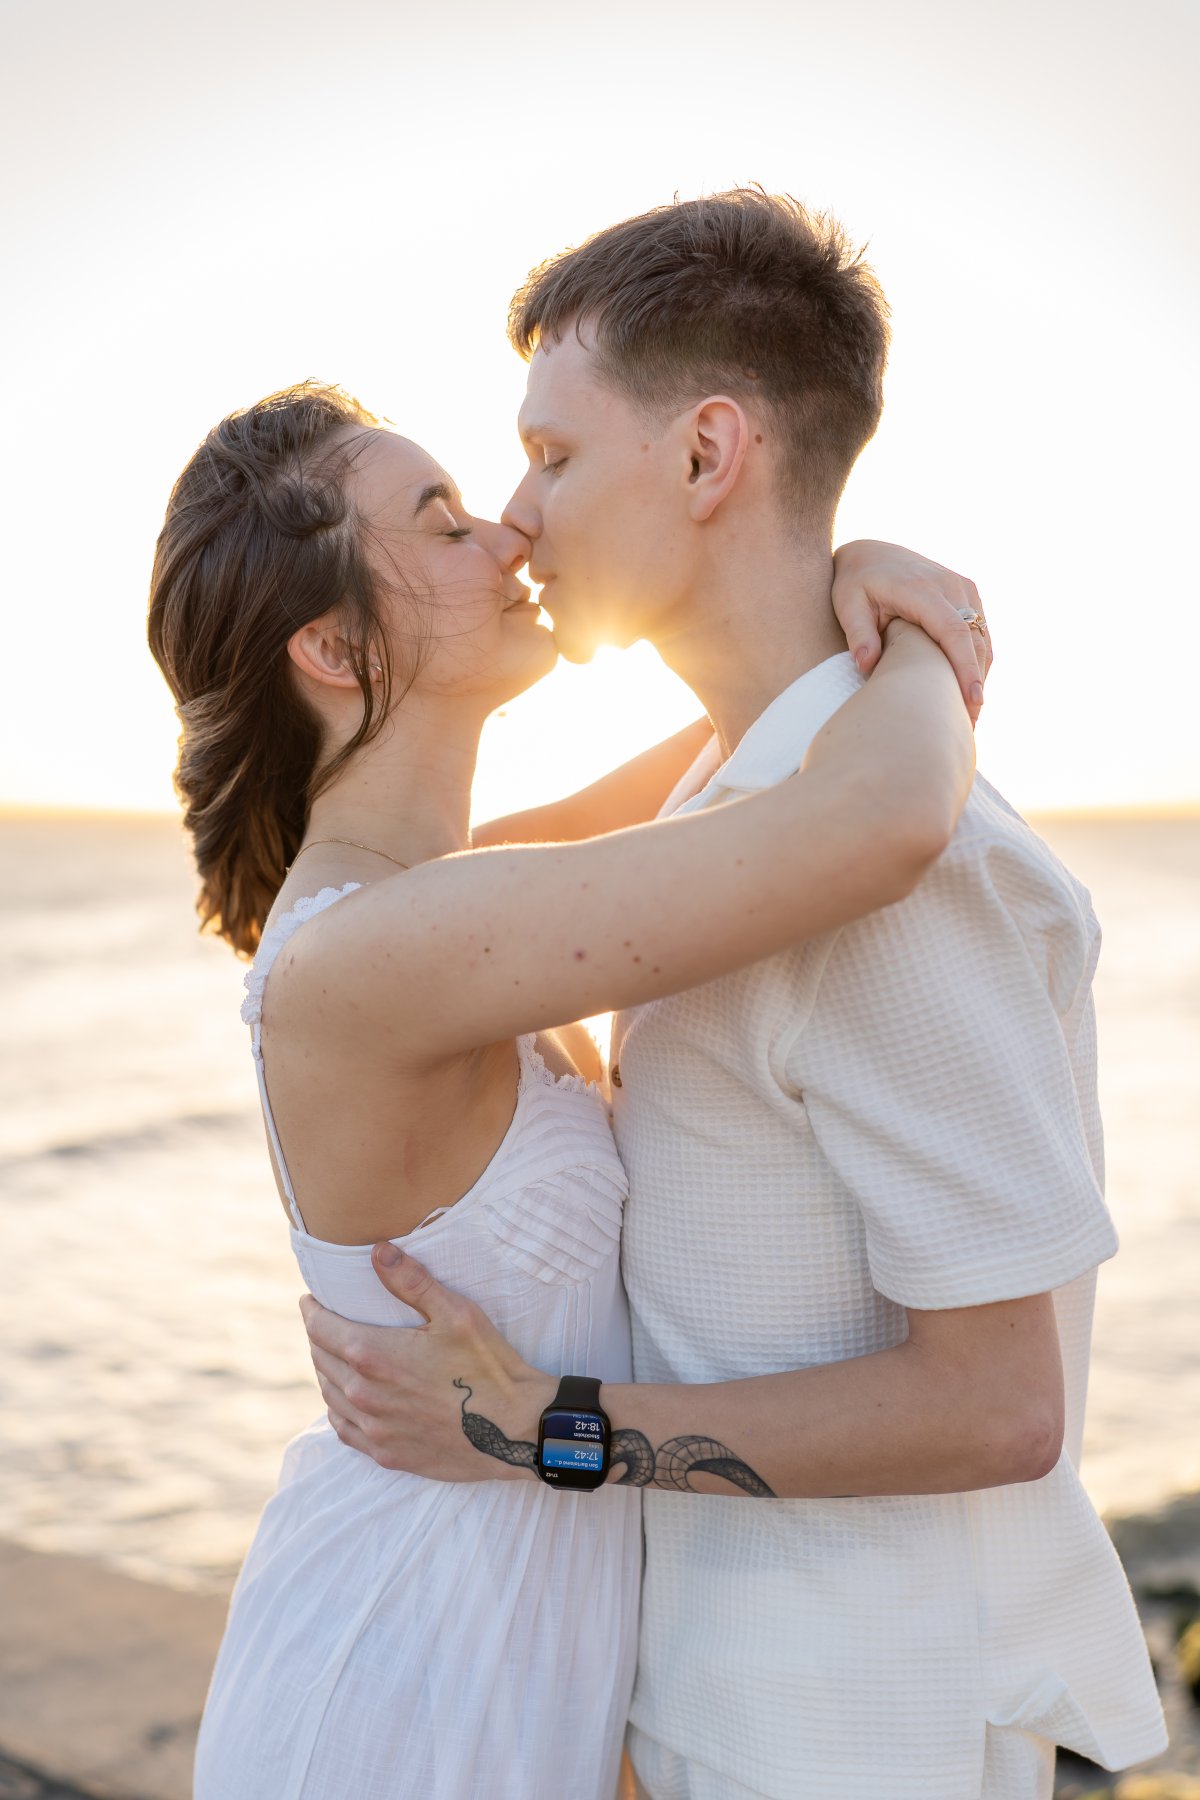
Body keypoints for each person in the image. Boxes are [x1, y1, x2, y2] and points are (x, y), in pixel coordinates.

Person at [301, 192, 1168, 1800]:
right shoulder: (733, 802)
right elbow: (442, 887)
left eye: (553, 456)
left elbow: (996, 1408)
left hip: (861, 1734)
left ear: (708, 455)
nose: (516, 515)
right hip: (721, 1712)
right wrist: (885, 625)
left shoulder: (897, 890)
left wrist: (531, 1428)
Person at [148, 374, 987, 1799]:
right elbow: (884, 810)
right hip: (398, 1682)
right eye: (445, 521)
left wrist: (855, 576)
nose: (511, 539)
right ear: (337, 648)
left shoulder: (444, 899)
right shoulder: (383, 953)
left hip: (510, 1656)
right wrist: (921, 645)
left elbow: (766, 727)